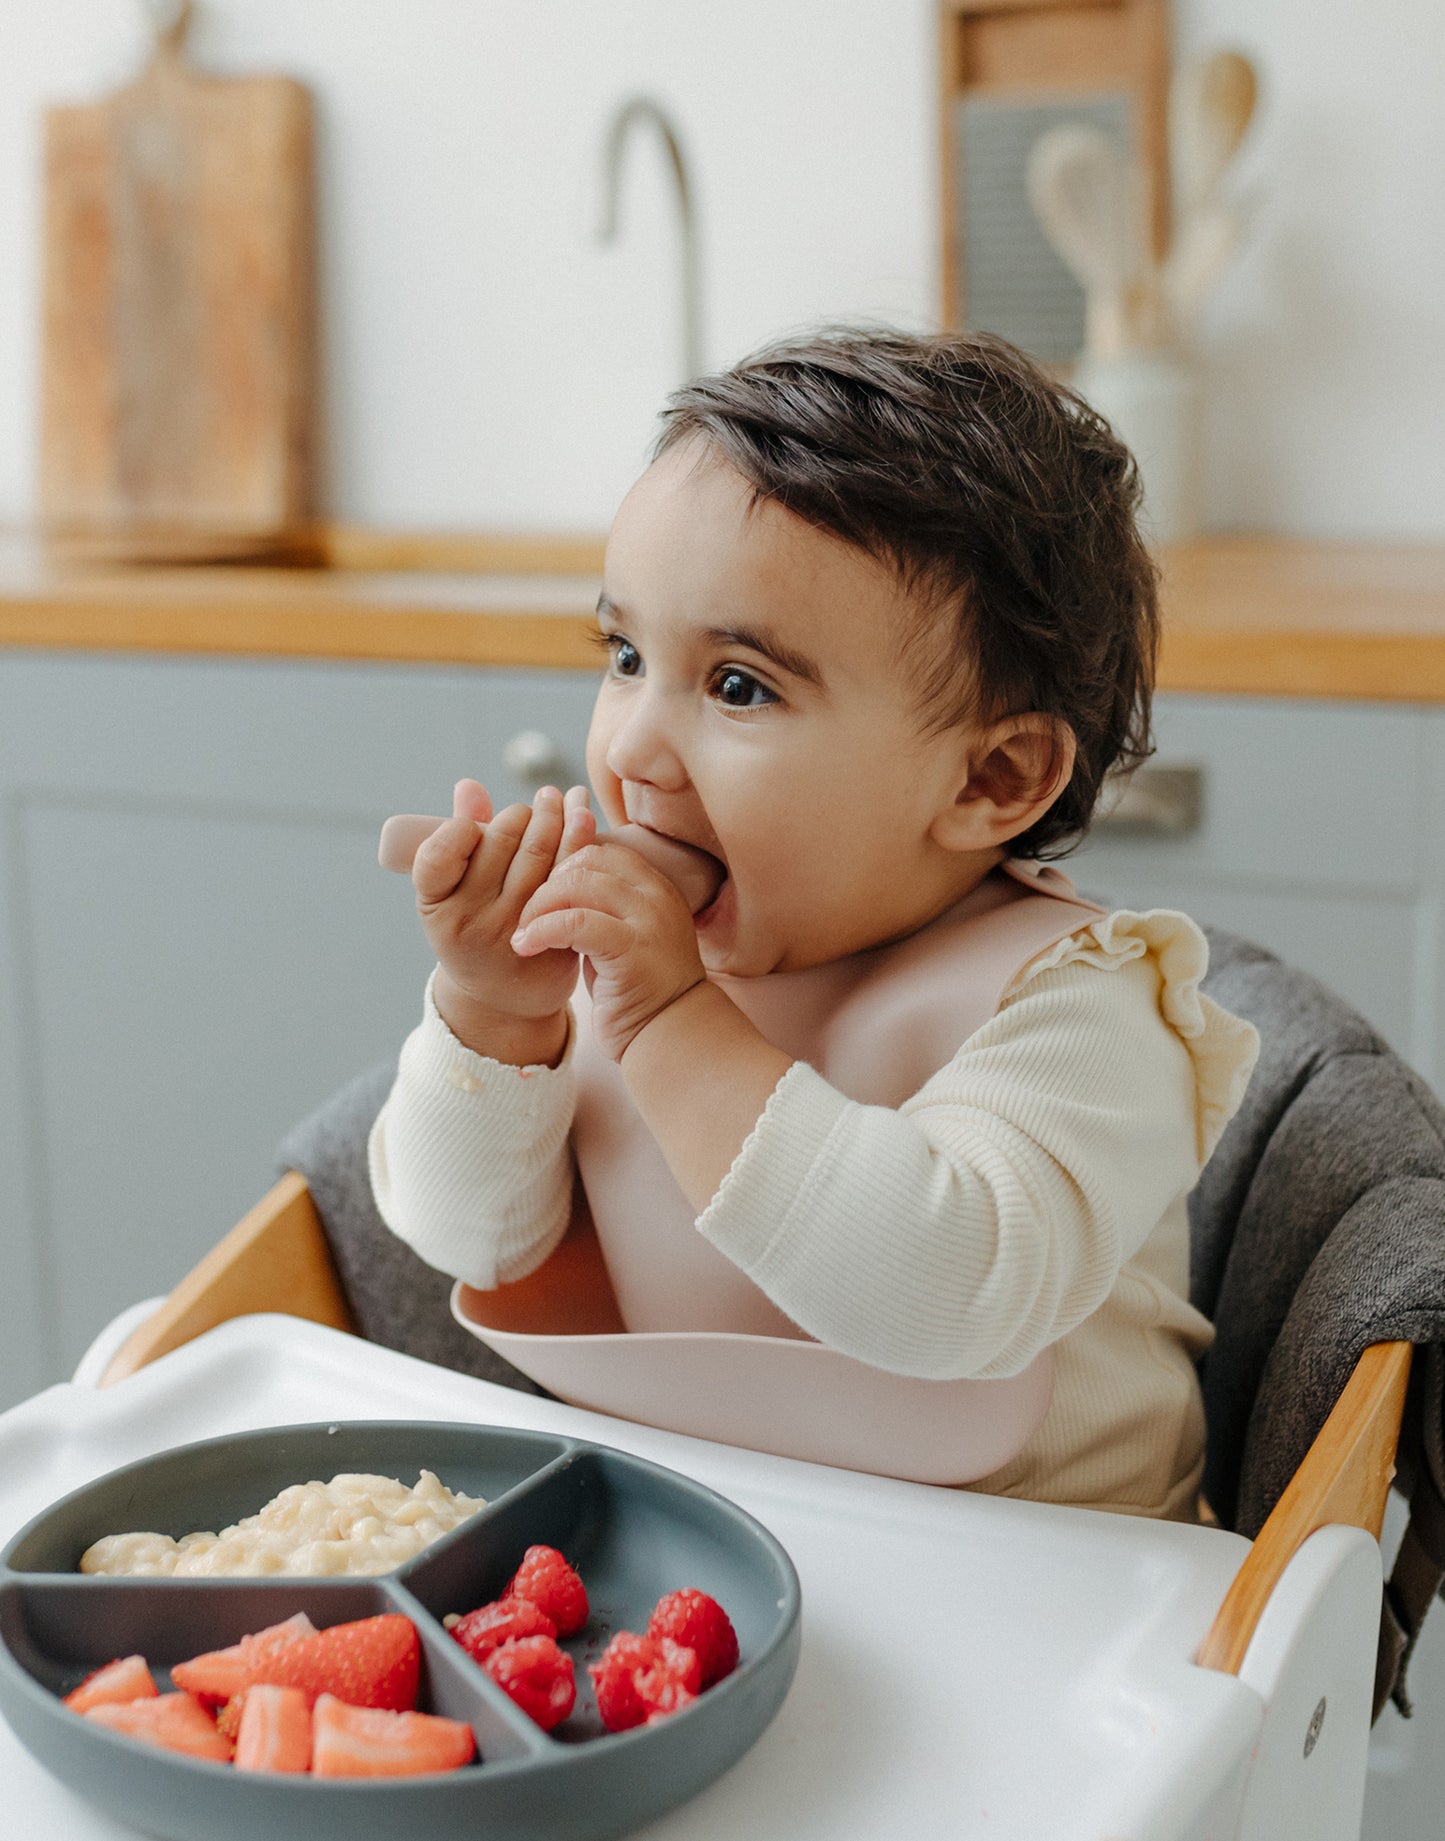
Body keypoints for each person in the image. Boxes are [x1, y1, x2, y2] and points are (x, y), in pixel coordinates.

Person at [368, 328, 1259, 1520]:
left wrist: (675, 1022)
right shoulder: (610, 964)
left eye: (739, 685)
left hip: (1065, 1598)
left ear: (988, 779)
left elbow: (950, 1287)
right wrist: (493, 1016)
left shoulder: (1085, 1012)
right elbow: (462, 1240)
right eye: (625, 654)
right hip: (696, 1546)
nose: (630, 749)